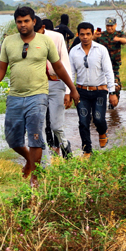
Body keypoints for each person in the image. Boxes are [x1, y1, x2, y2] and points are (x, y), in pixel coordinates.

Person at [0, 7, 79, 186]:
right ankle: (30, 160)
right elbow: (1, 67)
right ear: (16, 23)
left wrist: (71, 89)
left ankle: (35, 177)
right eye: (19, 22)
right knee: (12, 138)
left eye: (26, 21)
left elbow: (59, 67)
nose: (23, 25)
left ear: (34, 21)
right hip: (15, 96)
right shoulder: (8, 42)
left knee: (36, 135)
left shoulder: (45, 41)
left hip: (38, 95)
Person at [69, 22, 117, 157]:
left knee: (98, 118)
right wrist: (68, 92)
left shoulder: (101, 50)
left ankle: (102, 131)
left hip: (100, 91)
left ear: (92, 34)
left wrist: (112, 92)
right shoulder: (74, 51)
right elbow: (71, 74)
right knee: (83, 121)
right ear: (78, 35)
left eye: (88, 34)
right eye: (82, 34)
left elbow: (109, 71)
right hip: (81, 92)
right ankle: (87, 150)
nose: (85, 37)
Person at [40, 18, 72, 157]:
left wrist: (69, 91)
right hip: (38, 85)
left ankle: (65, 146)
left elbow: (64, 64)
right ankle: (44, 158)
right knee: (39, 125)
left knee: (56, 125)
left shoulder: (56, 38)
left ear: (42, 28)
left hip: (55, 82)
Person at [94, 18, 126, 103]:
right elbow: (89, 41)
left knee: (116, 85)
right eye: (108, 26)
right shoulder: (101, 35)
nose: (109, 28)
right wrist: (94, 36)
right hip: (101, 66)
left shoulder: (119, 34)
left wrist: (118, 39)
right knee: (99, 86)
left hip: (114, 66)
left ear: (115, 25)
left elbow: (125, 40)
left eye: (111, 26)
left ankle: (113, 103)